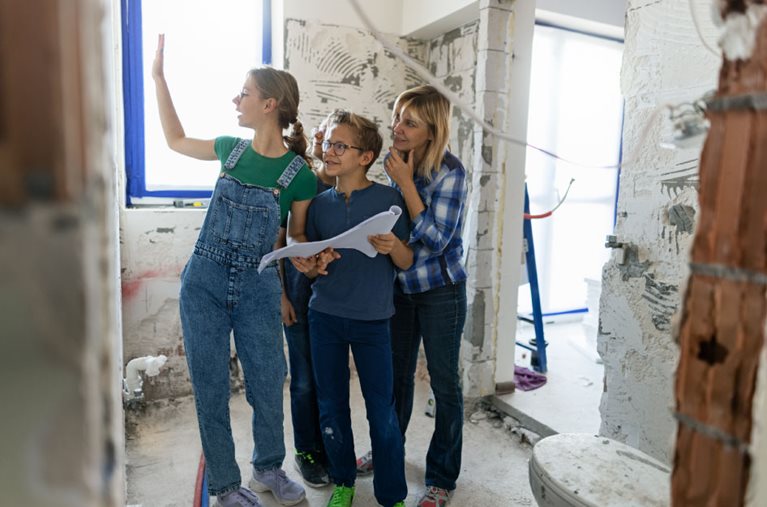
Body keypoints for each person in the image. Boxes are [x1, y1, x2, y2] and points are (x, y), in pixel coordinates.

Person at [152, 34, 313, 507]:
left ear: (270, 104)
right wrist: (160, 79)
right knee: (210, 388)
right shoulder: (230, 150)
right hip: (202, 282)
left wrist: (306, 261)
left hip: (259, 288)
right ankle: (224, 485)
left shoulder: (299, 173)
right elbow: (175, 140)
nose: (235, 99)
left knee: (267, 382)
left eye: (243, 92)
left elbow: (294, 236)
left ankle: (268, 469)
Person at [290, 110, 411, 507]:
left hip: (374, 321)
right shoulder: (320, 205)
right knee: (331, 403)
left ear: (366, 156)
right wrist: (312, 265)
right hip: (325, 317)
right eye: (328, 145)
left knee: (382, 410)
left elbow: (407, 261)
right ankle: (343, 480)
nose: (330, 151)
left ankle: (391, 494)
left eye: (341, 146)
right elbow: (313, 261)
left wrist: (394, 247)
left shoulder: (389, 199)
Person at [356, 85, 468, 507]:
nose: (397, 127)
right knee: (396, 380)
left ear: (432, 131)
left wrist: (404, 185)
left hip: (441, 291)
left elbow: (437, 240)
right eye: (398, 116)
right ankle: (388, 451)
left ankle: (441, 477)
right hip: (402, 290)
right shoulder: (395, 163)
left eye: (410, 122)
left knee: (444, 385)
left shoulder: (451, 172)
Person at [280, 116, 335, 488]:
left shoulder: (353, 189)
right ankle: (307, 452)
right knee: (302, 382)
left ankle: (330, 447)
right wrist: (282, 294)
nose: (321, 136)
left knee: (329, 380)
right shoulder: (304, 182)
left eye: (331, 134)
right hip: (299, 296)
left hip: (334, 302)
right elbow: (281, 240)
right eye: (321, 130)